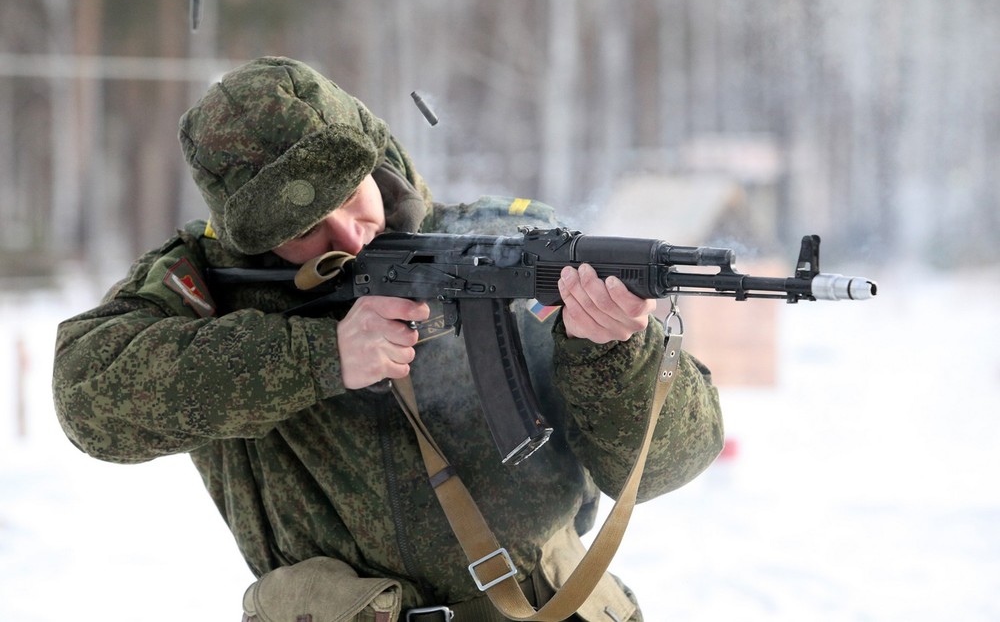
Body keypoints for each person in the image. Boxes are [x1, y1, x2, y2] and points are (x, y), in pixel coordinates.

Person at [52, 56, 723, 621]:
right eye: (305, 229)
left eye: (351, 196)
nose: (348, 235)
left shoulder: (502, 242)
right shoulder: (209, 285)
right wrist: (318, 357)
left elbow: (674, 462)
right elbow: (87, 397)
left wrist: (616, 353)